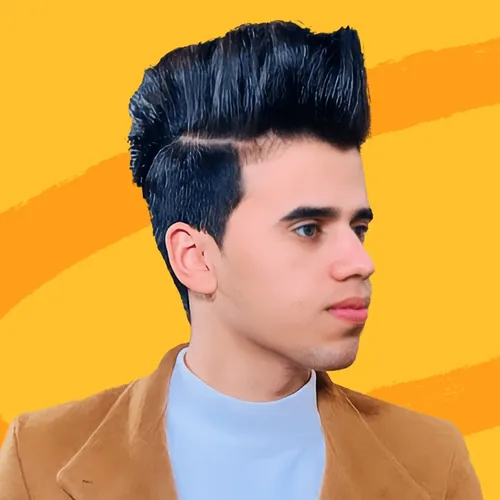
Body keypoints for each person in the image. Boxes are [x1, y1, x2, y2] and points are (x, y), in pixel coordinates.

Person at [0, 20, 482, 500]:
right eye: (308, 229)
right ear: (195, 258)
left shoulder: (432, 462)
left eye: (358, 228)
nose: (360, 261)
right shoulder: (39, 458)